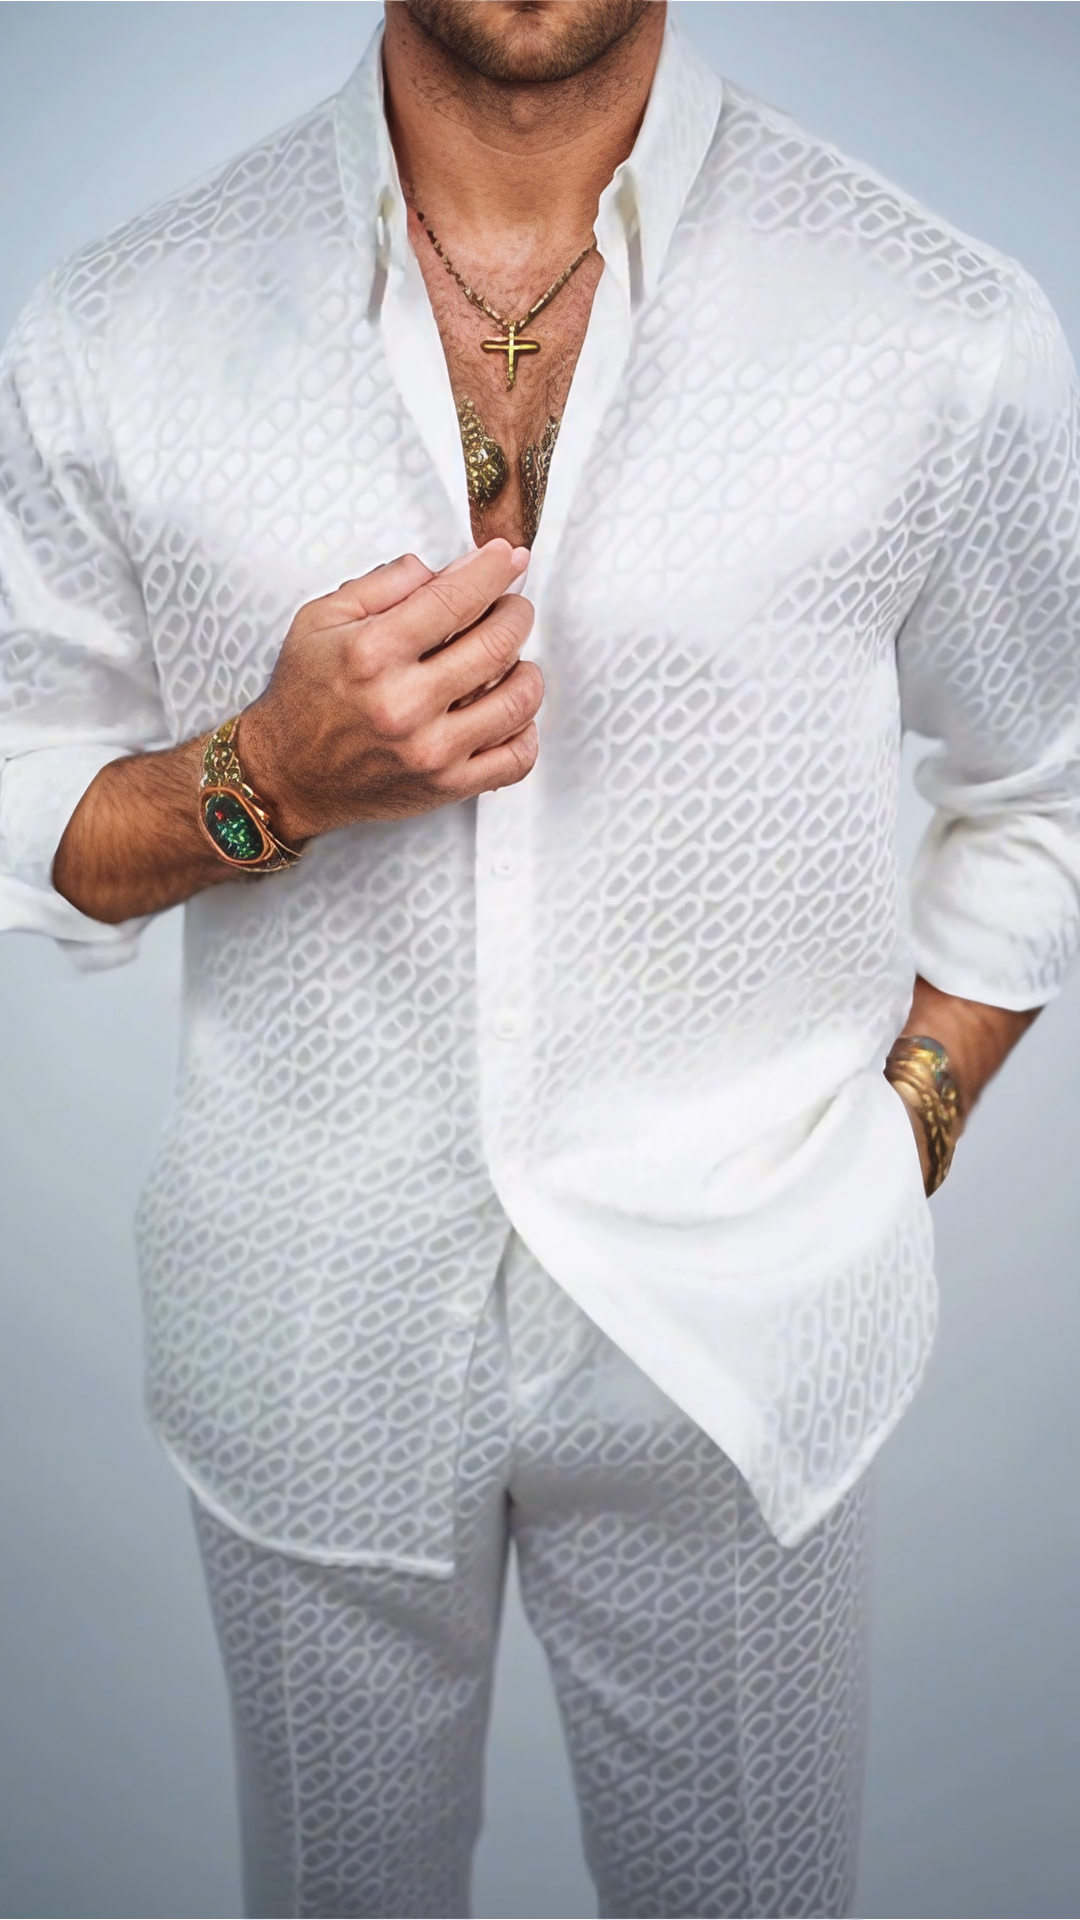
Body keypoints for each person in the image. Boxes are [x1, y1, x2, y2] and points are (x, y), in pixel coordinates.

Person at [1, 2, 1078, 1914]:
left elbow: (1048, 779)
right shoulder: (119, 326)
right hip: (307, 1329)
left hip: (744, 1341)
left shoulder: (934, 323)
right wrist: (268, 779)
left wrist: (899, 1131)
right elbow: (21, 801)